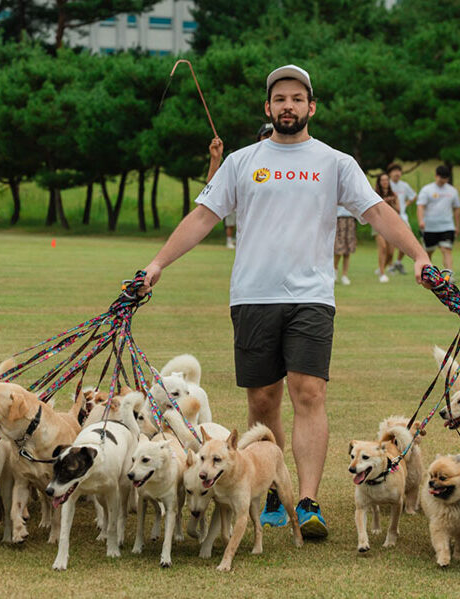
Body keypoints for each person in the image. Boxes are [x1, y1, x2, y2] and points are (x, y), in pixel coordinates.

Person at [140, 64, 432, 539]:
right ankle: (273, 488)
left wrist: (419, 255)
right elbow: (202, 217)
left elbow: (377, 212)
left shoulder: (335, 162)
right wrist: (157, 264)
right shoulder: (241, 161)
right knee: (262, 398)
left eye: (298, 98)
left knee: (310, 393)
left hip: (311, 297)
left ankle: (310, 500)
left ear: (311, 106)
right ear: (268, 108)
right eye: (280, 99)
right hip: (253, 296)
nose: (289, 106)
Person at [215, 123, 275, 249]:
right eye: (266, 135)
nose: (269, 138)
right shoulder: (244, 161)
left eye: (272, 134)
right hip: (252, 248)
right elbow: (214, 192)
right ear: (259, 138)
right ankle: (230, 241)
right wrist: (215, 160)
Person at [417, 164, 460, 271]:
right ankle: (428, 274)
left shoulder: (452, 191)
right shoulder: (427, 190)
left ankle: (448, 275)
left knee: (447, 249)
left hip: (447, 226)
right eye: (441, 177)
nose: (443, 180)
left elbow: (457, 208)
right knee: (428, 252)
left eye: (445, 178)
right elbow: (420, 206)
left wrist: (457, 225)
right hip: (430, 227)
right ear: (436, 176)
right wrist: (421, 220)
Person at [386, 163, 416, 274]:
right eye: (394, 171)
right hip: (388, 217)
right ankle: (387, 266)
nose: (397, 173)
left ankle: (398, 262)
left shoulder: (404, 185)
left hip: (402, 216)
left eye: (399, 171)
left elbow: (413, 196)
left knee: (408, 239)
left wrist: (406, 204)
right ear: (390, 173)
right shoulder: (386, 184)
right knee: (390, 244)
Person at [373, 172, 399, 283]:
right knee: (382, 248)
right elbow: (373, 210)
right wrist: (384, 202)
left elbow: (398, 210)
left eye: (387, 180)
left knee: (391, 252)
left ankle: (381, 267)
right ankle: (382, 274)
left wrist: (392, 202)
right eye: (382, 180)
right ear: (379, 182)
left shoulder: (393, 195)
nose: (385, 182)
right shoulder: (374, 194)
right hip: (378, 224)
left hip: (390, 225)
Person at [333, 204, 355, 285]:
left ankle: (344, 275)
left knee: (347, 251)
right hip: (339, 219)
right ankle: (334, 270)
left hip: (350, 220)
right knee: (338, 250)